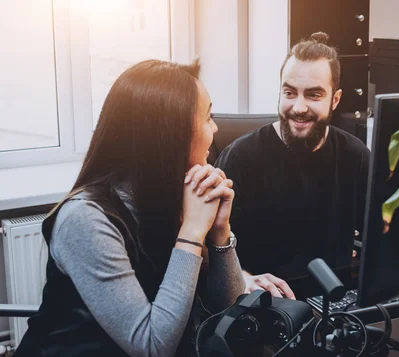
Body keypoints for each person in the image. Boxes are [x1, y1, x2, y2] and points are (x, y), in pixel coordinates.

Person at [15, 59, 245, 357]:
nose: (215, 128)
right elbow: (152, 346)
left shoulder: (175, 197)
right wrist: (190, 232)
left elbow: (231, 310)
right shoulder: (85, 219)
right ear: (170, 134)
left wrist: (219, 233)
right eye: (208, 117)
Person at [215, 32, 370, 298]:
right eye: (289, 92)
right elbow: (211, 252)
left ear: (335, 99)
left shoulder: (355, 156)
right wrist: (244, 279)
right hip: (264, 306)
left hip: (335, 306)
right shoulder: (240, 158)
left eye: (313, 95)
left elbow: (383, 240)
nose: (298, 107)